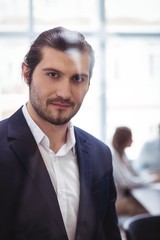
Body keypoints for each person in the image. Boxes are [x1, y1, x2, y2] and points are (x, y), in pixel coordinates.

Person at [0, 27, 122, 240]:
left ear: (88, 84)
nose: (64, 93)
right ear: (26, 73)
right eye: (53, 75)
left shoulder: (100, 154)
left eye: (77, 79)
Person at [111, 126, 148, 216]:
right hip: (117, 201)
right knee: (148, 208)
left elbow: (134, 174)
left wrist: (149, 178)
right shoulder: (113, 156)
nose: (132, 141)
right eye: (130, 138)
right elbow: (126, 183)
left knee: (149, 204)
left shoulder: (123, 155)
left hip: (125, 196)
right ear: (123, 139)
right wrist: (149, 181)